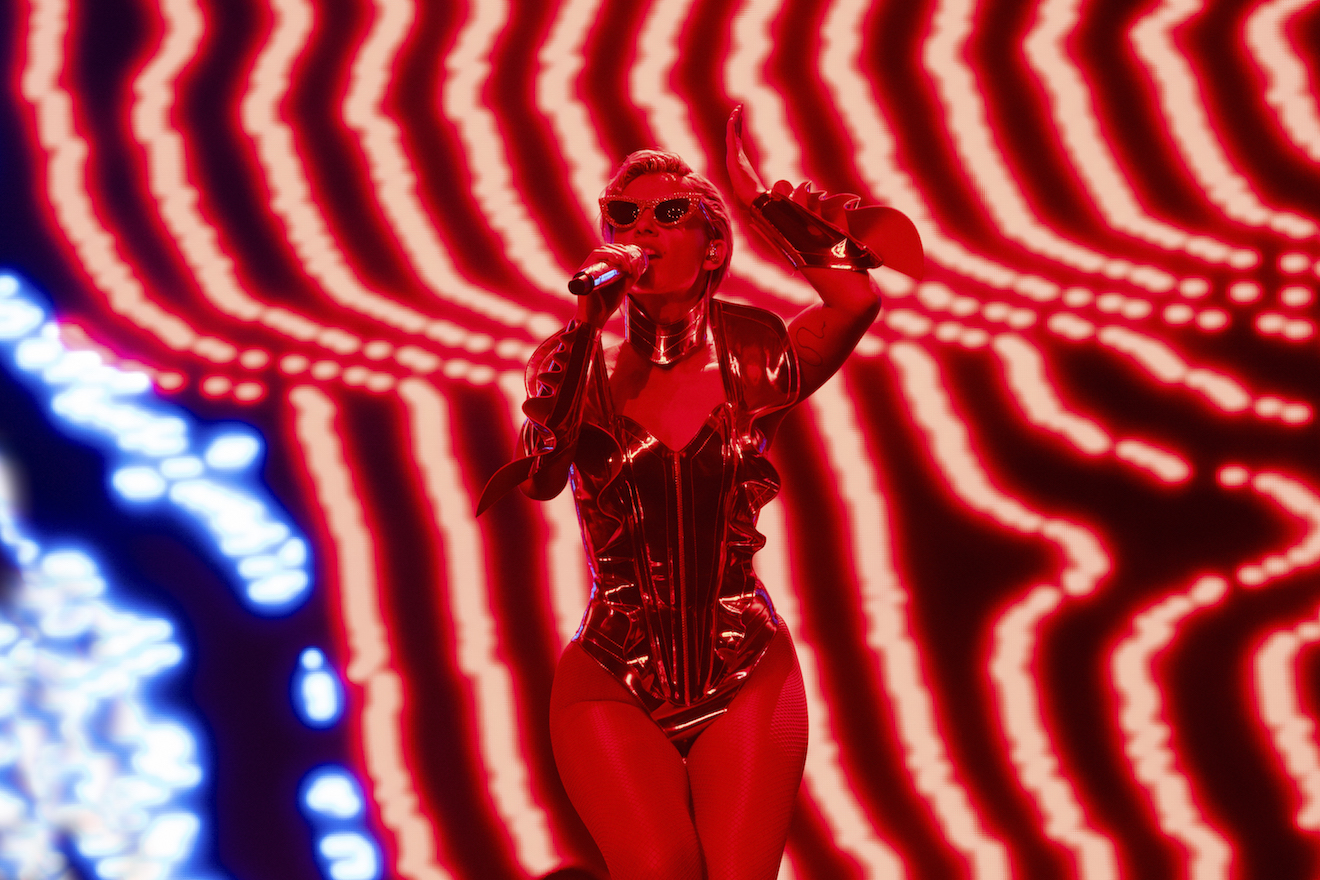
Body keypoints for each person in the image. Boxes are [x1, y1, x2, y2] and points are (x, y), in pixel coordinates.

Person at [480, 106, 921, 880]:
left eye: (668, 213)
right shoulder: (571, 360)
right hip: (612, 668)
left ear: (712, 244)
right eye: (624, 215)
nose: (642, 229)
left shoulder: (757, 350)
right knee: (661, 868)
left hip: (744, 660)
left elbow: (855, 302)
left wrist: (761, 204)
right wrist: (586, 323)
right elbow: (542, 476)